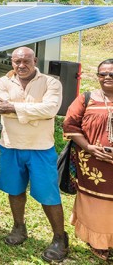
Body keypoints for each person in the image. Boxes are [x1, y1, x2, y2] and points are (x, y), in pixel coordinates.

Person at [0, 47, 67, 262]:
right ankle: (19, 227)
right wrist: (34, 111)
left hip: (40, 147)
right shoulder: (3, 82)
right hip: (10, 144)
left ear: (35, 60)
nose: (21, 66)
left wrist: (15, 109)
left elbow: (50, 110)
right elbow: (1, 108)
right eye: (17, 62)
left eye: (26, 61)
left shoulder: (51, 83)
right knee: (14, 190)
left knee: (48, 194)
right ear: (12, 62)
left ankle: (60, 238)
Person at [63, 59, 113, 260]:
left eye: (112, 74)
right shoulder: (87, 98)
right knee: (96, 203)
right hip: (92, 164)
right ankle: (98, 241)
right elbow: (70, 126)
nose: (107, 77)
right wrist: (89, 147)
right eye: (103, 74)